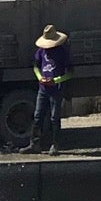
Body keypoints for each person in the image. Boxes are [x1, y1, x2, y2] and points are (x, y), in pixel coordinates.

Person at [29, 25, 69, 154]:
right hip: (43, 88)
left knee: (54, 117)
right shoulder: (41, 51)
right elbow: (35, 66)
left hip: (56, 89)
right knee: (38, 116)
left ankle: (55, 145)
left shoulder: (62, 51)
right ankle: (34, 144)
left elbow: (70, 73)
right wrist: (40, 78)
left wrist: (56, 80)